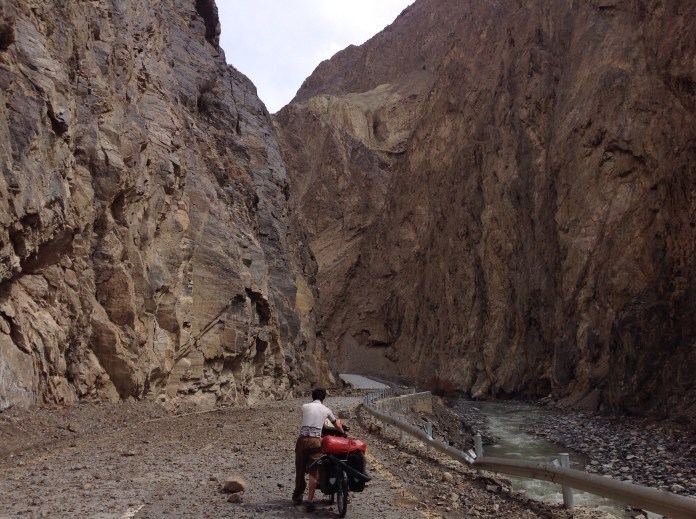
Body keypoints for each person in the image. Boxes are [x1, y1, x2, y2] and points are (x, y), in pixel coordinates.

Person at [292, 388, 344, 512]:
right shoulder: (326, 410)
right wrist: (342, 432)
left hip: (302, 440)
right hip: (315, 441)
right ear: (323, 398)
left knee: (300, 470)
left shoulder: (304, 406)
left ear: (312, 396)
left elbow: (312, 418)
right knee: (314, 472)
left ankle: (297, 496)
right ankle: (310, 502)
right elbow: (336, 425)